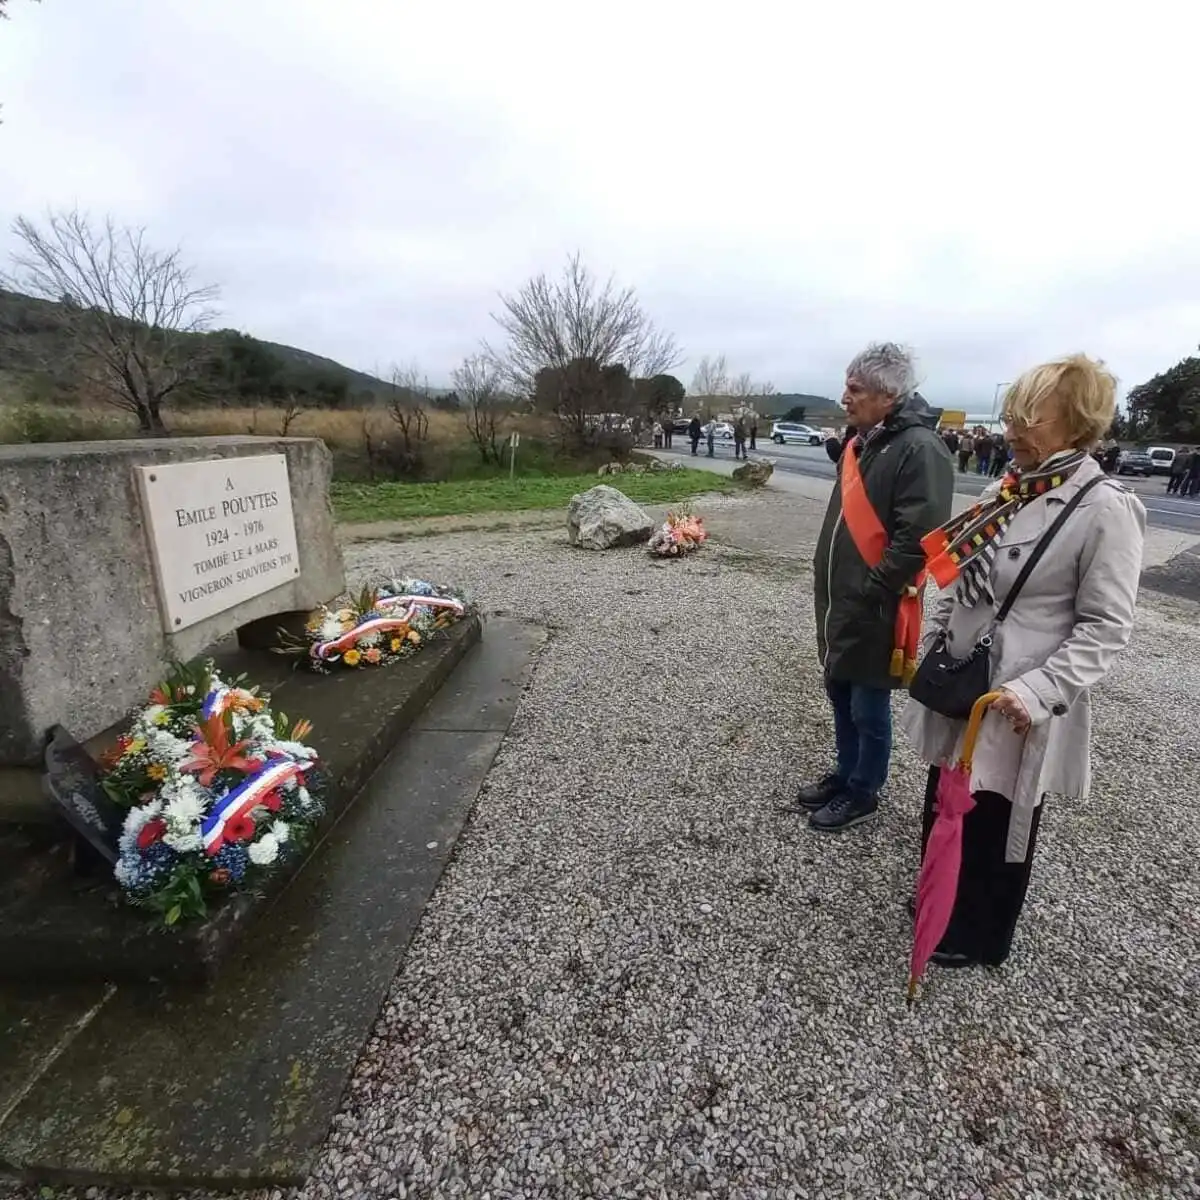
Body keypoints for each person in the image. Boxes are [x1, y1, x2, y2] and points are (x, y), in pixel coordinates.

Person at [901, 354, 1145, 970]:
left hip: (1016, 697)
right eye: (1011, 415)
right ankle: (940, 892)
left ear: (1076, 423)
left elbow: (1106, 625)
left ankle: (981, 930)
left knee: (998, 810)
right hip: (966, 678)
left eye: (1027, 418)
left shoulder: (1105, 508)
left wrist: (1038, 692)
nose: (1010, 430)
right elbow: (958, 577)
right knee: (947, 792)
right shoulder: (1005, 489)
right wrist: (937, 636)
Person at [789, 342, 954, 832]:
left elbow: (918, 539)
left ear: (888, 395)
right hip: (844, 594)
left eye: (855, 388)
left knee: (868, 702)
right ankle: (846, 772)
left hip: (877, 600)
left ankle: (864, 790)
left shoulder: (920, 449)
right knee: (839, 687)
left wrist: (870, 589)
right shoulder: (868, 441)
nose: (845, 396)